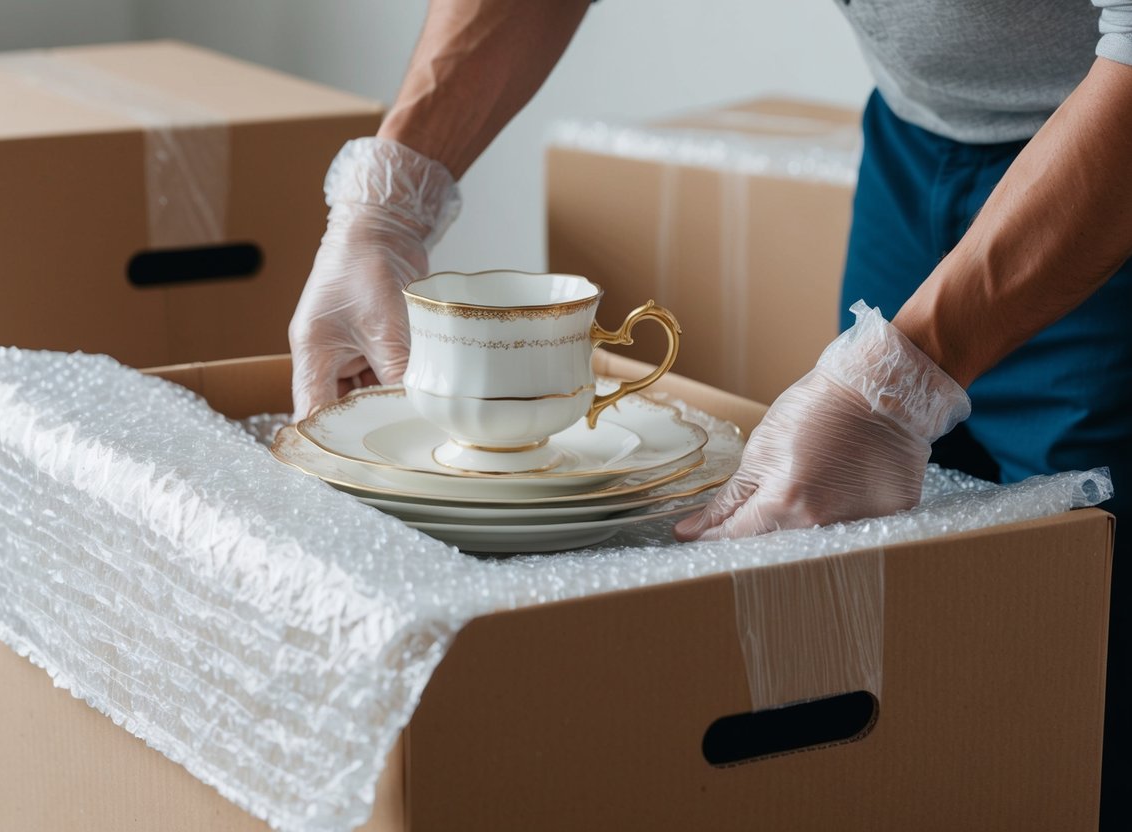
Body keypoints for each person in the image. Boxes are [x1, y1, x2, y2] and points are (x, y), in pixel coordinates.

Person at [289, 0, 1131, 821]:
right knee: (896, 616)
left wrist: (894, 384)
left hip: (1101, 160)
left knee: (1081, 654)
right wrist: (385, 200)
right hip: (914, 145)